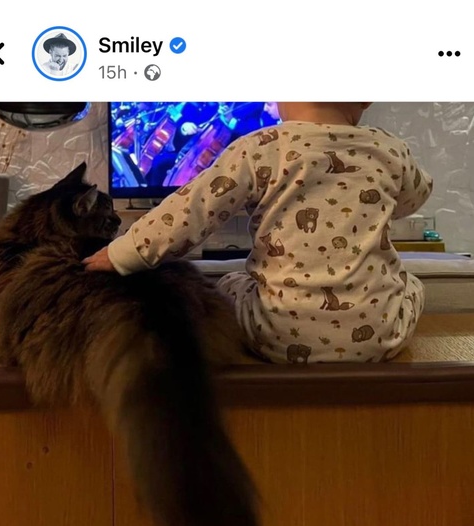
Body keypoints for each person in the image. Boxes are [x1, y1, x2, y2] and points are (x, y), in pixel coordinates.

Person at [84, 102, 433, 363]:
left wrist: (120, 254)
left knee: (229, 282)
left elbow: (190, 210)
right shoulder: (390, 150)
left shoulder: (260, 147)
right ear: (366, 98)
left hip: (277, 336)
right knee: (411, 284)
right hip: (381, 334)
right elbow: (413, 199)